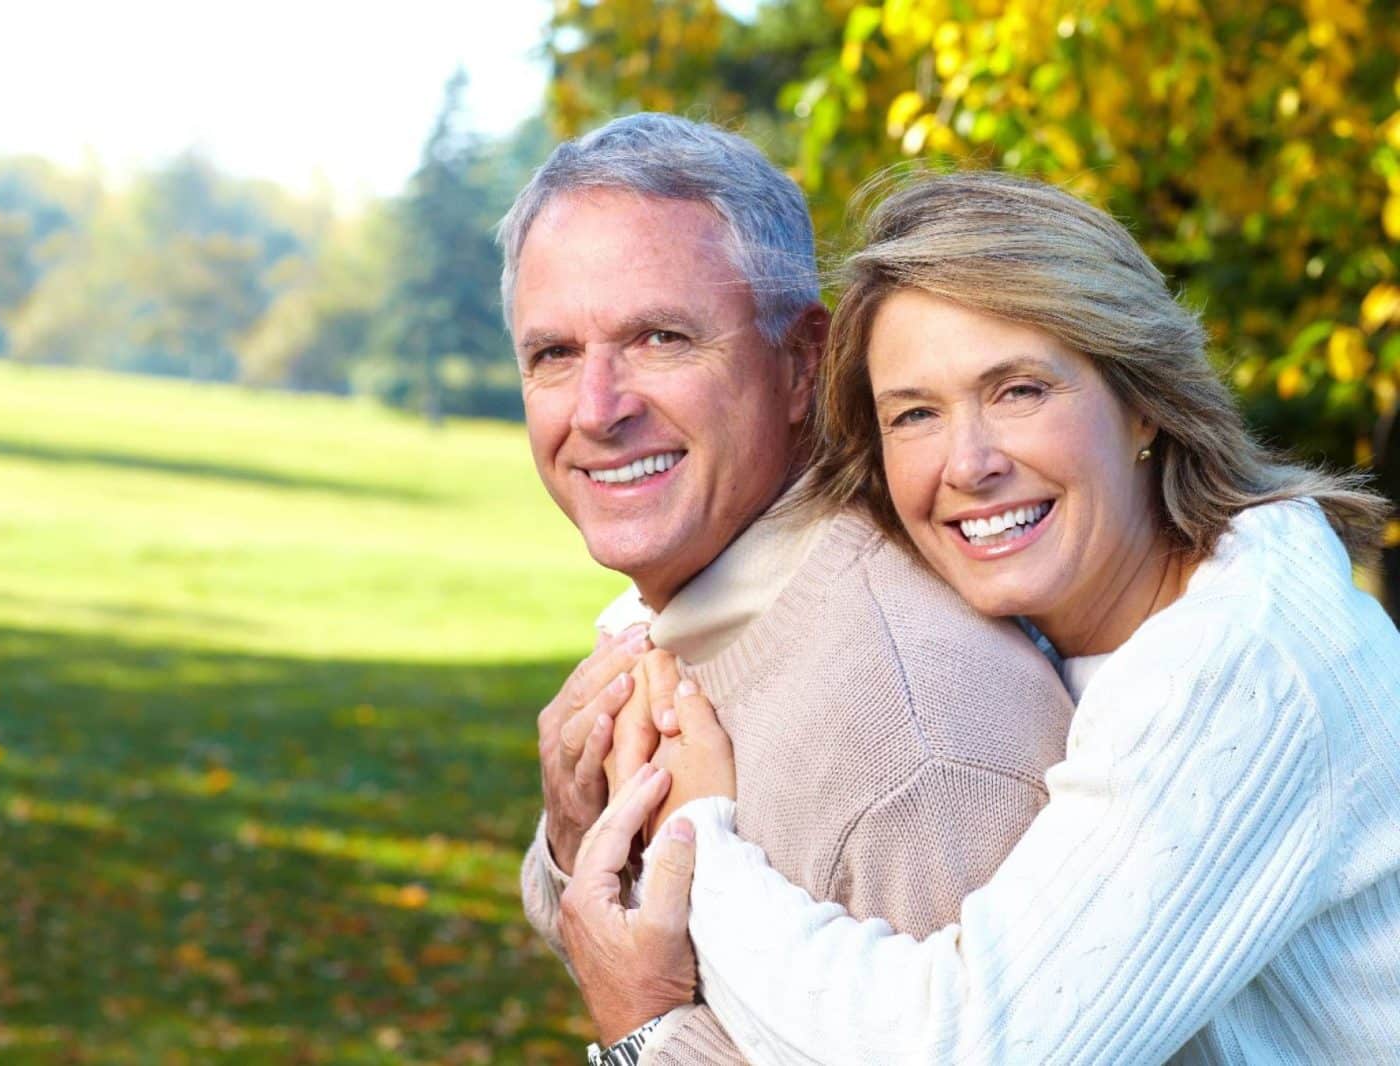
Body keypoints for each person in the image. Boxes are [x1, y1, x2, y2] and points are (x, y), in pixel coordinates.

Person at [562, 169, 1400, 1062]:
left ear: (1143, 397)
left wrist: (703, 859)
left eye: (1019, 391)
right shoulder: (1087, 624)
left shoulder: (1246, 661)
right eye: (915, 414)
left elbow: (980, 1048)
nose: (968, 464)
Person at [500, 118, 1077, 1063]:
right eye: (554, 354)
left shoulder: (923, 744)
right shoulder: (705, 611)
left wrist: (644, 1032)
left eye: (660, 338)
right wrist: (576, 837)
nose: (598, 410)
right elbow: (633, 946)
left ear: (803, 364)